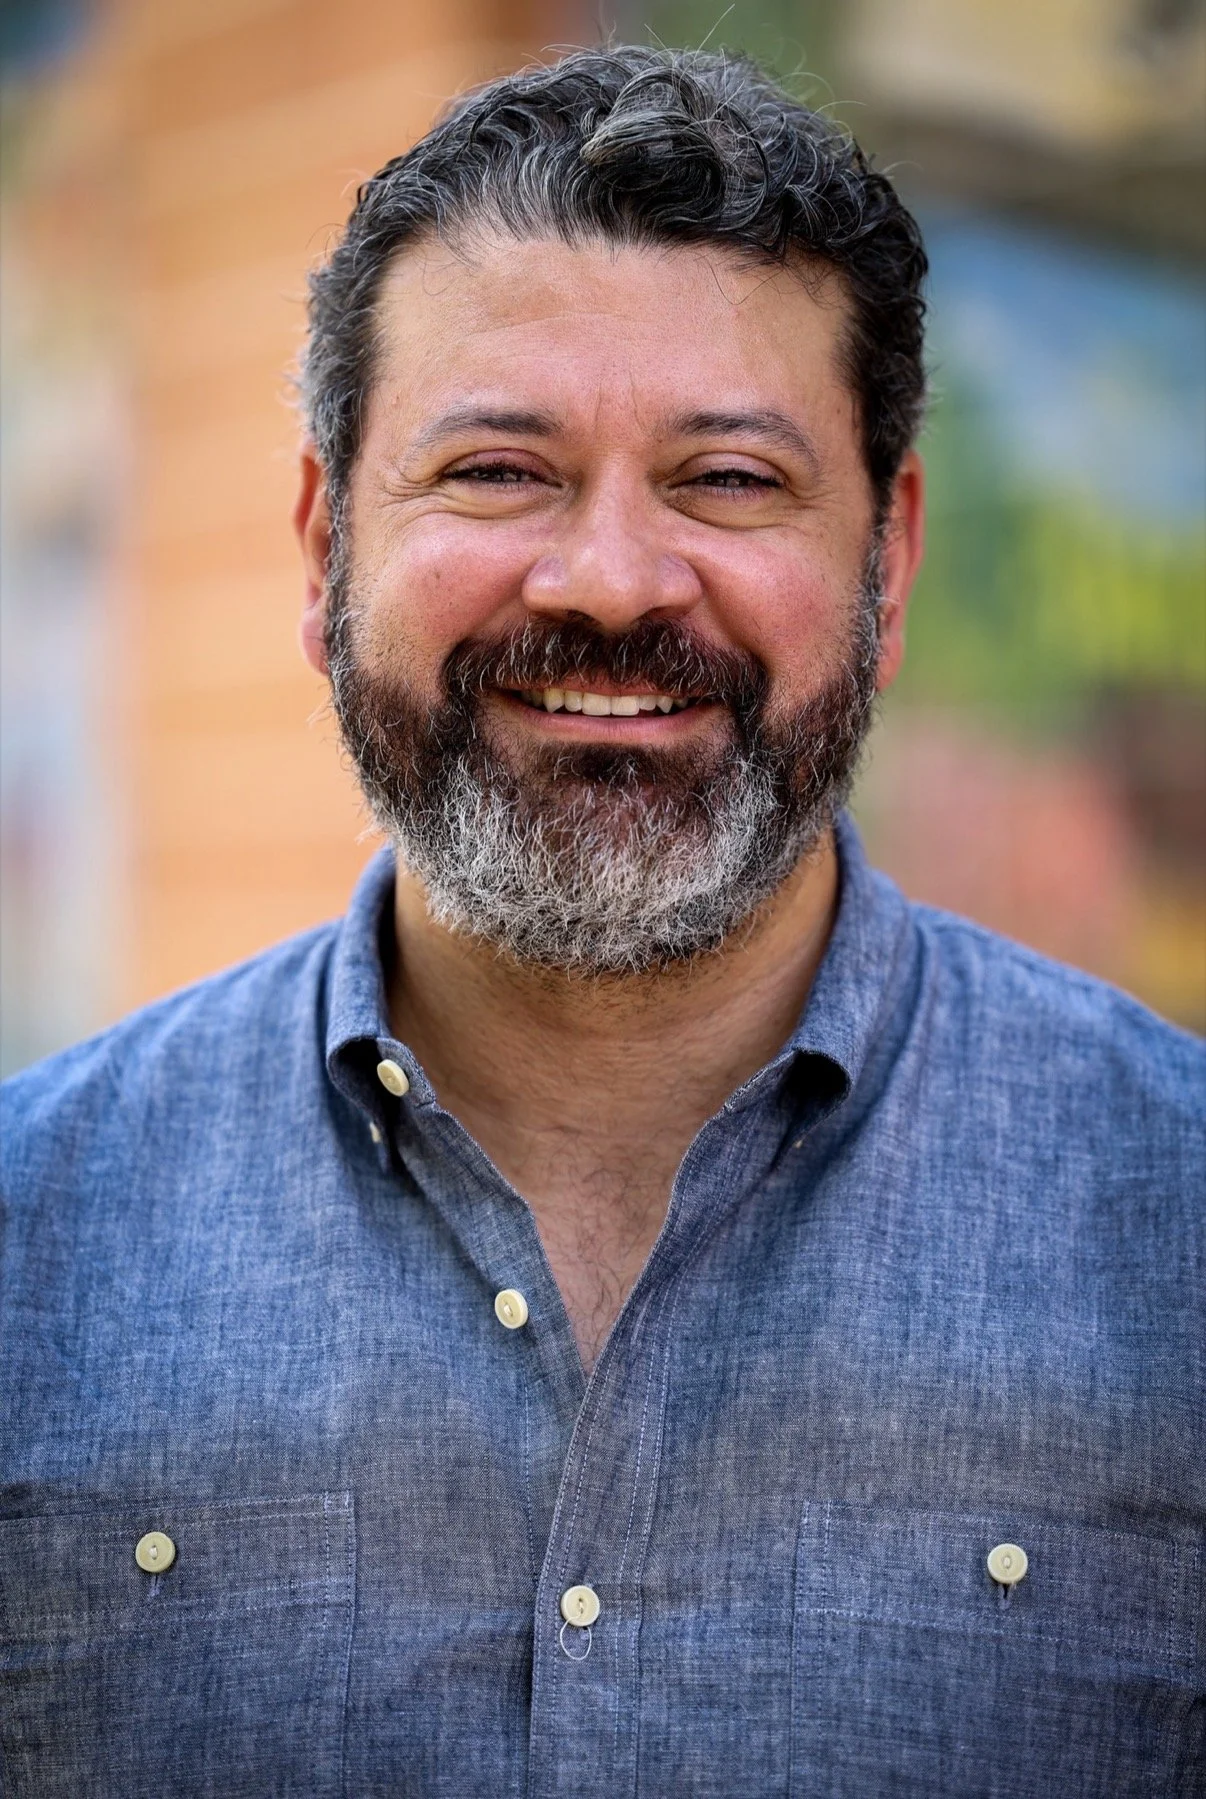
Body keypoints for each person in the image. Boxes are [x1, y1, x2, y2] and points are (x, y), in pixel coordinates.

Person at [1, 44, 1201, 1799]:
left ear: (886, 561)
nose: (612, 581)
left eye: (729, 479)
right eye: (498, 469)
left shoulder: (1176, 1221)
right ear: (325, 547)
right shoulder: (32, 1234)